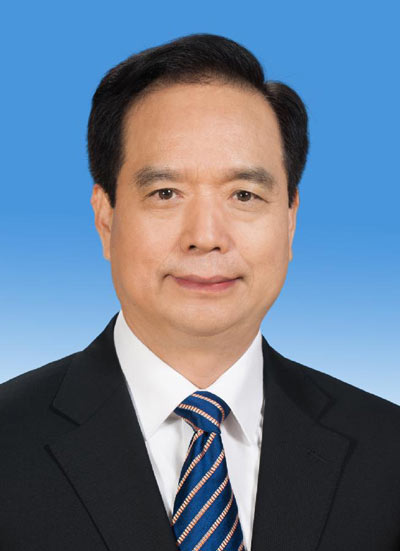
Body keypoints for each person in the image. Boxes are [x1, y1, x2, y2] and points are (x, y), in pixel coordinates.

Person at [1, 33, 399, 551]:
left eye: (244, 195)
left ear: (290, 219)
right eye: (166, 193)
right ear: (106, 218)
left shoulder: (387, 450)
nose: (206, 237)